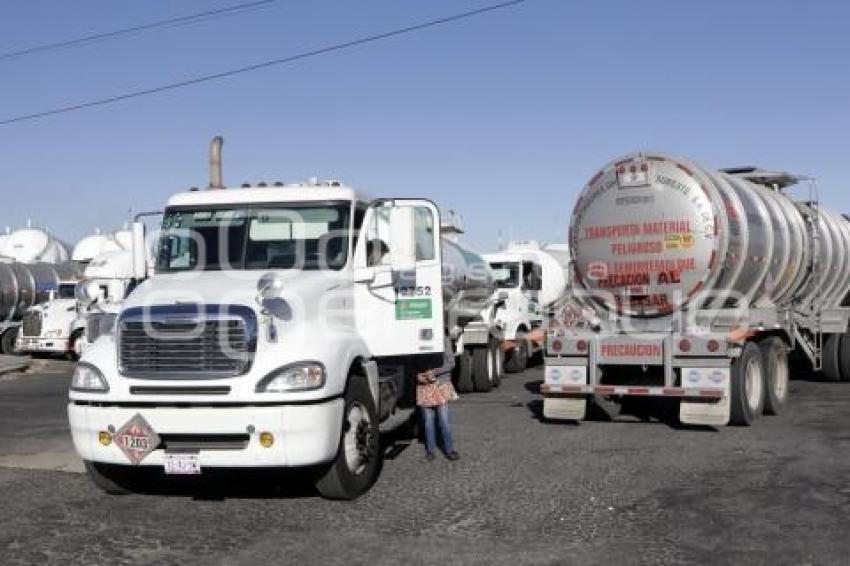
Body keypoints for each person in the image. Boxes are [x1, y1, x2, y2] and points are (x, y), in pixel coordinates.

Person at [417, 342, 460, 461]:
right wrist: (417, 375)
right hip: (424, 385)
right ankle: (430, 452)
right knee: (428, 422)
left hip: (440, 384)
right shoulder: (417, 337)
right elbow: (412, 361)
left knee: (444, 420)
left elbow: (451, 363)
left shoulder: (443, 338)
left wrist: (434, 372)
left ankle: (449, 450)